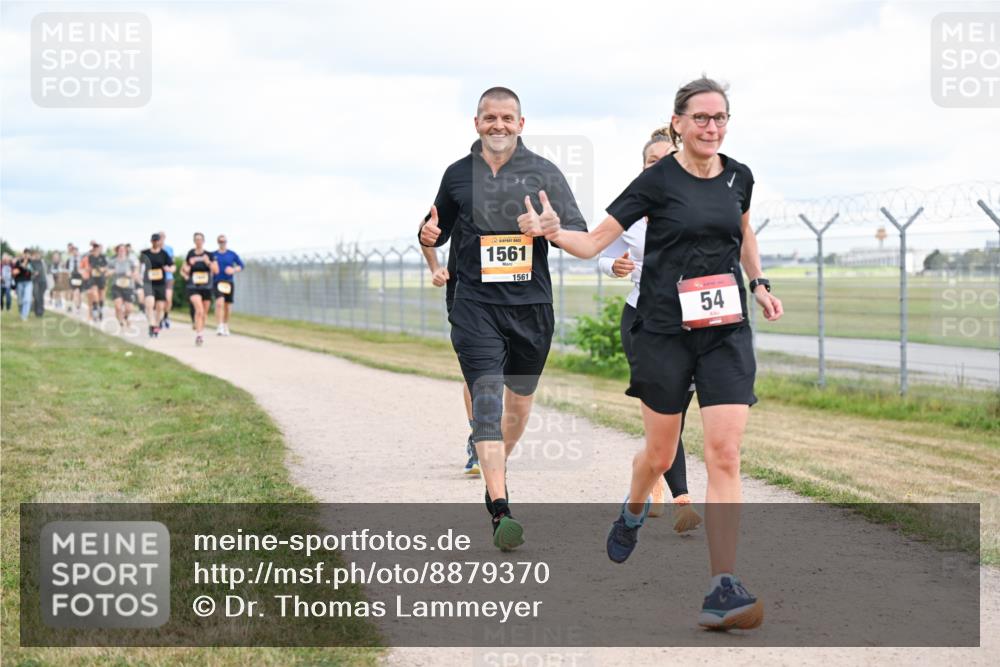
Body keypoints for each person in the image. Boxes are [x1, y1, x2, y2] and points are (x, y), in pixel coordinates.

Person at [519, 77, 783, 630]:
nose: (712, 127)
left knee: (725, 454)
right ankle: (635, 505)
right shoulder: (655, 181)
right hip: (663, 331)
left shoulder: (740, 176)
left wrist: (758, 284)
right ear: (678, 122)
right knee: (660, 457)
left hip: (725, 328)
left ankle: (722, 586)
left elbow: (744, 235)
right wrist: (552, 233)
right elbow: (593, 242)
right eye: (702, 118)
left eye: (721, 118)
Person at [419, 86, 588, 551]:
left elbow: (578, 235)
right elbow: (434, 228)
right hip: (474, 305)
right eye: (489, 118)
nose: (498, 125)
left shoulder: (543, 173)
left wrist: (548, 229)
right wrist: (427, 237)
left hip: (531, 308)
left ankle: (495, 462)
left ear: (521, 123)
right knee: (487, 400)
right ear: (476, 123)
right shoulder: (457, 174)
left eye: (506, 118)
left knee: (518, 406)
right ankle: (500, 507)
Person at [598, 129, 702, 533]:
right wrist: (614, 267)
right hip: (643, 319)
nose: (658, 167)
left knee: (675, 415)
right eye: (650, 162)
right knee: (666, 405)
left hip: (691, 321)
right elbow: (601, 255)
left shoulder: (698, 205)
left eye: (666, 159)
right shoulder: (632, 208)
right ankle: (684, 502)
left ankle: (651, 469)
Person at [419, 227, 478, 475]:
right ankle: (480, 442)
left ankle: (493, 437)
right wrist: (435, 268)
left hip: (518, 298)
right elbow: (425, 232)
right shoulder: (459, 189)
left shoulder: (521, 192)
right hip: (468, 297)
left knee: (510, 376)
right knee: (477, 373)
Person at [180, 232, 218, 346]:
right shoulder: (190, 254)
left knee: (204, 313)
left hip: (206, 286)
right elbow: (184, 269)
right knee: (199, 310)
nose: (198, 241)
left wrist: (208, 262)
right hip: (193, 286)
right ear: (194, 241)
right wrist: (188, 267)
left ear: (203, 241)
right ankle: (199, 335)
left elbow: (216, 270)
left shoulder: (209, 255)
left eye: (200, 239)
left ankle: (200, 329)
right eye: (196, 239)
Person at [141, 233, 173, 338]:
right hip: (148, 283)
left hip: (160, 284)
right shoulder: (145, 253)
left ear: (160, 241)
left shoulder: (164, 254)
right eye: (153, 241)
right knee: (149, 305)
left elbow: (172, 266)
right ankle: (151, 325)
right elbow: (138, 266)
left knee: (160, 307)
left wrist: (170, 269)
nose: (155, 242)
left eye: (157, 241)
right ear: (151, 241)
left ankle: (157, 324)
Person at [212, 234, 244, 336]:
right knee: (219, 303)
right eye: (220, 242)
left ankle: (226, 324)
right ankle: (219, 325)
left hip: (228, 282)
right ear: (218, 243)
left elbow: (241, 265)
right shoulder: (213, 255)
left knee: (227, 305)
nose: (222, 243)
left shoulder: (232, 254)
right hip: (217, 281)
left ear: (226, 242)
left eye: (224, 241)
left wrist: (233, 270)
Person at [110, 243, 140, 331]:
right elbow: (107, 272)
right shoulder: (113, 261)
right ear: (117, 251)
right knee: (118, 306)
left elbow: (136, 272)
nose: (122, 251)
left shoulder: (130, 261)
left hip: (128, 286)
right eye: (120, 250)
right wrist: (111, 271)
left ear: (126, 251)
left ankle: (125, 317)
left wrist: (131, 274)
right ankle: (120, 322)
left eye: (123, 250)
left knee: (129, 308)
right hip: (116, 286)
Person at [83, 242, 108, 321]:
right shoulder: (90, 257)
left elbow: (106, 267)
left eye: (97, 248)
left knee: (101, 296)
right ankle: (95, 309)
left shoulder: (103, 257)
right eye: (94, 248)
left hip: (101, 278)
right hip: (93, 278)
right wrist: (88, 270)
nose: (96, 250)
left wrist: (102, 269)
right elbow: (87, 265)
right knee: (94, 294)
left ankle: (100, 309)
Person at [12, 249, 34, 321]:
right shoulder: (18, 261)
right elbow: (14, 271)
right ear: (23, 254)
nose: (27, 255)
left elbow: (33, 271)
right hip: (20, 282)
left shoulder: (31, 262)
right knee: (20, 301)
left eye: (29, 254)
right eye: (26, 254)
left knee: (27, 299)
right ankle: (21, 312)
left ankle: (24, 316)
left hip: (28, 282)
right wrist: (20, 267)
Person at [160, 231, 175, 329]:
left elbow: (172, 264)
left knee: (168, 299)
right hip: (157, 278)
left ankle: (166, 316)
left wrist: (170, 269)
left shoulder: (169, 249)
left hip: (168, 277)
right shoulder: (153, 250)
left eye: (162, 237)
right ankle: (159, 319)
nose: (161, 239)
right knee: (159, 301)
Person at [64, 244, 84, 313]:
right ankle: (71, 306)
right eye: (74, 251)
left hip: (80, 277)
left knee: (80, 294)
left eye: (76, 251)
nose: (75, 253)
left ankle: (79, 306)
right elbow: (66, 269)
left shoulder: (82, 259)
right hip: (72, 276)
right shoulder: (69, 260)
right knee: (73, 292)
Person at [30, 249, 47, 317]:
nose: (37, 256)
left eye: (38, 255)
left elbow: (45, 271)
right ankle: (36, 310)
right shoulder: (31, 263)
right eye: (35, 255)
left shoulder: (42, 262)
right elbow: (29, 273)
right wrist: (34, 274)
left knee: (41, 296)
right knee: (36, 296)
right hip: (35, 281)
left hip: (43, 281)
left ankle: (40, 311)